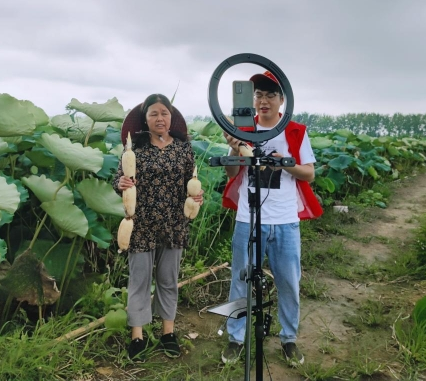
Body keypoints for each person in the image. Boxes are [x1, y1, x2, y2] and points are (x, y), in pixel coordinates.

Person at [219, 71, 323, 367]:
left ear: (282, 100)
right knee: (240, 278)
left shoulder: (295, 131)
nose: (263, 101)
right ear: (253, 100)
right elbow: (231, 174)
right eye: (258, 95)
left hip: (285, 219)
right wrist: (232, 145)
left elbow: (309, 173)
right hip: (247, 219)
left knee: (289, 281)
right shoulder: (244, 130)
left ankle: (288, 339)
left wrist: (284, 164)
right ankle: (235, 338)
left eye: (270, 95)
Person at [113, 93, 203, 362]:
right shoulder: (134, 149)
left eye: (164, 113)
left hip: (174, 223)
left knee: (167, 280)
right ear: (145, 119)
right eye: (153, 113)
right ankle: (137, 336)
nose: (160, 118)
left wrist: (197, 197)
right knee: (139, 281)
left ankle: (168, 333)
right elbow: (118, 178)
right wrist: (120, 184)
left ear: (171, 117)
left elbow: (192, 182)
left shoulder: (183, 148)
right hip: (140, 224)